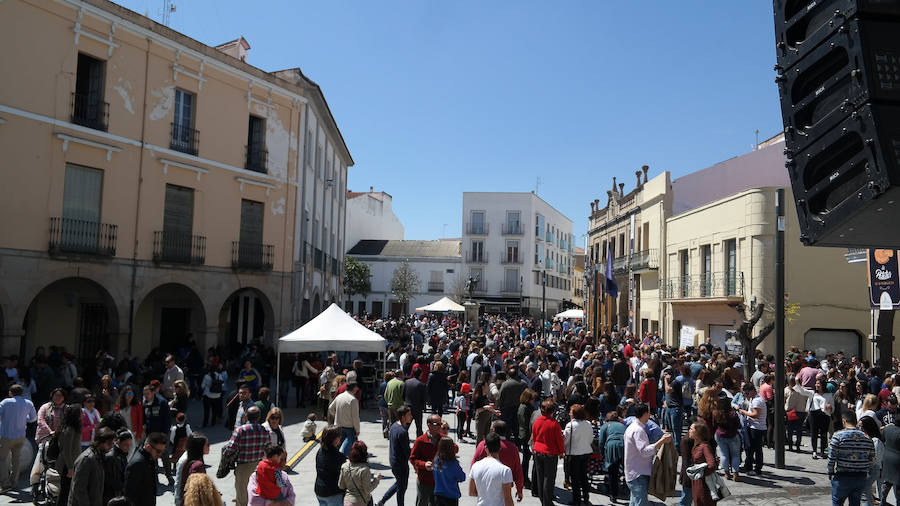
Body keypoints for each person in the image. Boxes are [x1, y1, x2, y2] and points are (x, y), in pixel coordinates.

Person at [624, 403, 673, 506]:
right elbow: (644, 452)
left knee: (635, 502)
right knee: (640, 503)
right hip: (638, 473)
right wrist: (661, 441)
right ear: (646, 414)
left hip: (634, 472)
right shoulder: (638, 430)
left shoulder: (632, 427)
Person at [224, 406, 271, 506]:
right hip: (259, 466)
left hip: (243, 467)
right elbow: (268, 449)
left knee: (242, 497)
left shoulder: (240, 430)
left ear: (246, 416)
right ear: (259, 417)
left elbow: (229, 449)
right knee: (257, 494)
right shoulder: (264, 431)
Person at [828, 411, 875, 506]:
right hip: (860, 477)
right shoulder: (868, 438)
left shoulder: (838, 436)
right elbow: (872, 459)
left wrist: (830, 471)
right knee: (855, 502)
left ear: (843, 421)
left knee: (837, 502)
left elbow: (831, 457)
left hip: (842, 476)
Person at [470, 421, 523, 501]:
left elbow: (473, 466)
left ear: (493, 431)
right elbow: (518, 471)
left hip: (485, 486)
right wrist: (519, 490)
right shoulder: (513, 448)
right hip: (504, 487)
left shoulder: (483, 445)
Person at [0, 384, 37, 492]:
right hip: (21, 436)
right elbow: (33, 418)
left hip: (6, 435)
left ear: (10, 393)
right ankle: (14, 482)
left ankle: (5, 483)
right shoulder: (28, 403)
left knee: (2, 459)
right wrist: (23, 418)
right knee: (16, 459)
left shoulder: (5, 402)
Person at [68, 427, 115, 506]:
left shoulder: (99, 457)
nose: (111, 447)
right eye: (109, 444)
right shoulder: (86, 459)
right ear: (100, 442)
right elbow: (79, 489)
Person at [377, 406, 413, 506]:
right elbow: (407, 451)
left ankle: (382, 502)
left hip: (394, 461)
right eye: (409, 415)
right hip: (400, 463)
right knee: (401, 487)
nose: (411, 417)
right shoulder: (402, 432)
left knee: (399, 484)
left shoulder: (394, 426)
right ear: (403, 417)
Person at [531, 399, 564, 506]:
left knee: (540, 478)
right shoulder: (554, 424)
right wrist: (561, 452)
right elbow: (559, 440)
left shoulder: (537, 421)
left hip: (538, 451)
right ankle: (547, 502)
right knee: (548, 479)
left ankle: (543, 500)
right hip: (550, 452)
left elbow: (534, 436)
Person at [468, 433, 515, 506]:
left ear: (486, 448)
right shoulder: (505, 470)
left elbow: (471, 492)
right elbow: (508, 499)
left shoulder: (475, 466)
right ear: (500, 448)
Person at [125, 432, 168, 506]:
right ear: (148, 447)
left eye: (162, 452)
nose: (160, 455)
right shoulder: (138, 464)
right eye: (158, 451)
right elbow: (130, 495)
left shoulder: (149, 459)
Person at [410, 414, 444, 506]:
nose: (440, 426)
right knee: (422, 503)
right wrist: (424, 465)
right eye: (437, 424)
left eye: (440, 424)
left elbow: (454, 450)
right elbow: (412, 459)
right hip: (424, 480)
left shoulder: (443, 439)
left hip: (439, 480)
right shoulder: (420, 441)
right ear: (429, 425)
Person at [564, 404, 594, 506]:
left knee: (575, 479)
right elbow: (591, 439)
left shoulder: (570, 425)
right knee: (584, 476)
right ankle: (586, 497)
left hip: (574, 454)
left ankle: (576, 500)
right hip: (585, 453)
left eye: (571, 412)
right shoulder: (588, 424)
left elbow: (566, 441)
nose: (569, 414)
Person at [143, 384, 173, 485]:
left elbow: (168, 419)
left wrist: (164, 434)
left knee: (164, 455)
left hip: (162, 435)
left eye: (147, 394)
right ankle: (155, 479)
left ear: (153, 393)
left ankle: (169, 477)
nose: (146, 396)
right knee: (152, 457)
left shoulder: (162, 402)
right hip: (151, 435)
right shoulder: (145, 403)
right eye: (144, 394)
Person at [56, 403, 83, 506]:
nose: (83, 414)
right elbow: (66, 450)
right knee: (65, 492)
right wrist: (70, 468)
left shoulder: (74, 427)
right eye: (81, 412)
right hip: (67, 466)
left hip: (72, 464)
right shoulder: (70, 429)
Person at [339, 441, 382, 506]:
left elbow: (341, 485)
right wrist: (377, 480)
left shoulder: (345, 466)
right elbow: (368, 489)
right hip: (361, 502)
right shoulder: (364, 469)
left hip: (347, 501)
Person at [737, 383, 766, 475]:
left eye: (746, 393)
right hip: (753, 426)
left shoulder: (757, 400)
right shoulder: (754, 399)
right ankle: (748, 466)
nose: (746, 395)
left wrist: (744, 412)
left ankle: (757, 468)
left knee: (756, 448)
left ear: (752, 391)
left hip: (757, 428)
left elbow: (756, 415)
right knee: (750, 448)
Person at [597, 411, 626, 503]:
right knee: (626, 470)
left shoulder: (605, 426)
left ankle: (613, 495)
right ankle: (627, 489)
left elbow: (601, 442)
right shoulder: (622, 426)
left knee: (613, 472)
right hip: (625, 445)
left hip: (612, 446)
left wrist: (602, 454)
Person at [315, 426, 347, 506]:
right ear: (333, 439)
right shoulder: (338, 457)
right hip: (333, 493)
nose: (340, 437)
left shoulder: (320, 451)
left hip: (319, 490)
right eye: (339, 436)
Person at [174, 432, 209, 506]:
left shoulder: (197, 458)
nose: (209, 447)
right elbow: (179, 482)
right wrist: (178, 501)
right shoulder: (186, 461)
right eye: (207, 445)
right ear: (199, 447)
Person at [712, 397, 741, 481]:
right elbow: (739, 425)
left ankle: (727, 473)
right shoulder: (733, 414)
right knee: (735, 455)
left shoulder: (715, 413)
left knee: (724, 454)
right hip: (733, 435)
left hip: (720, 435)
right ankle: (736, 473)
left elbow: (714, 425)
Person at [688, 422, 717, 506]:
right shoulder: (696, 445)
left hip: (704, 484)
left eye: (691, 429)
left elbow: (712, 465)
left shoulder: (705, 447)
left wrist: (701, 473)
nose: (689, 431)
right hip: (697, 482)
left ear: (698, 432)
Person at [330, 382, 362, 457]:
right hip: (349, 427)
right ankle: (343, 460)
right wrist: (357, 429)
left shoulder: (339, 397)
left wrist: (336, 415)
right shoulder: (353, 399)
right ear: (354, 388)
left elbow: (330, 408)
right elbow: (355, 417)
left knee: (336, 445)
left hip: (338, 425)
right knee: (348, 448)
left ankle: (333, 458)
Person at [103, 429, 133, 505]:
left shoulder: (123, 454)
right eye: (125, 444)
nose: (128, 447)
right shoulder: (111, 457)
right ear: (118, 442)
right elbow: (109, 479)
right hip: (111, 495)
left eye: (130, 445)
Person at [433, 436, 465, 506]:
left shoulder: (436, 461)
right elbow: (462, 477)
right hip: (451, 497)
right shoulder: (453, 464)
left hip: (438, 495)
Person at [859, 416, 883, 506]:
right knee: (866, 491)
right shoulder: (867, 438)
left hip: (873, 469)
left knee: (864, 490)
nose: (859, 428)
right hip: (869, 469)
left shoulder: (875, 441)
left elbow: (876, 458)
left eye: (861, 426)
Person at [882, 412, 900, 505]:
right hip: (897, 462)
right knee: (898, 488)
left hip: (887, 459)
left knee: (887, 483)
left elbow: (882, 437)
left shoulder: (888, 429)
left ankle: (882, 501)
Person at [404, 369, 428, 438]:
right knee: (419, 427)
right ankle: (419, 442)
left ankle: (403, 440)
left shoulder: (406, 382)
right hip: (417, 408)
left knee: (406, 426)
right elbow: (424, 398)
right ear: (420, 375)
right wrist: (424, 407)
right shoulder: (421, 385)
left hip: (407, 407)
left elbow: (403, 395)